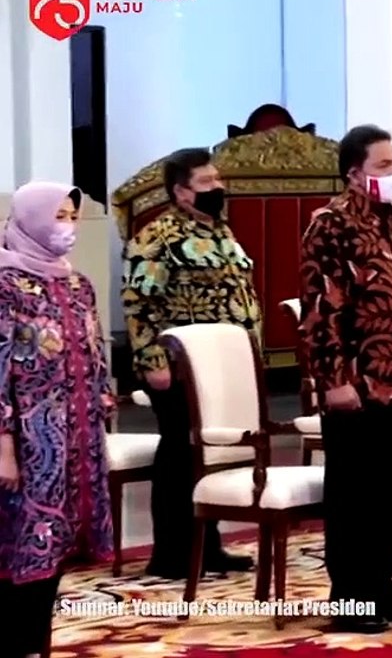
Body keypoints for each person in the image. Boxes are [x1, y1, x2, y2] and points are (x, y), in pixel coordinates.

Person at [299, 125, 392, 633]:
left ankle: (383, 584)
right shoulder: (330, 225)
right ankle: (353, 597)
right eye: (383, 166)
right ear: (354, 173)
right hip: (358, 383)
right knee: (359, 496)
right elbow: (322, 309)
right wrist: (333, 380)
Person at [121, 148, 258, 579]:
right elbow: (140, 303)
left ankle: (208, 547)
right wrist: (152, 360)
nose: (218, 187)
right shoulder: (156, 237)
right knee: (179, 455)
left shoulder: (220, 231)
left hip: (220, 368)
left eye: (218, 179)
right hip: (178, 366)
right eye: (206, 182)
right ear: (181, 192)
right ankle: (172, 555)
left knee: (210, 455)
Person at [0, 183, 113, 658]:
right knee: (19, 545)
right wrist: (3, 445)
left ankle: (33, 642)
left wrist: (103, 400)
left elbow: (96, 350)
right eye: (58, 215)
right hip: (24, 440)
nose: (67, 226)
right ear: (30, 218)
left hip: (76, 438)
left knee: (55, 545)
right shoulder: (5, 284)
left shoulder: (77, 283)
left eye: (71, 215)